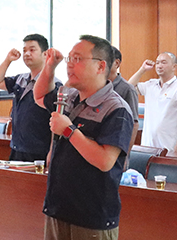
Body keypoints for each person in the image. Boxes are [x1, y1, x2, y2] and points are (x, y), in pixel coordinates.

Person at [34, 35, 134, 240]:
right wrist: (50, 67)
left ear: (100, 66)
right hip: (58, 208)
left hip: (91, 216)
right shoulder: (69, 96)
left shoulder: (116, 109)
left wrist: (69, 131)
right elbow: (40, 96)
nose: (70, 64)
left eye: (77, 59)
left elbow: (105, 161)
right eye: (69, 58)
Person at [0, 33, 59, 161]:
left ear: (45, 54)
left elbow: (56, 121)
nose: (26, 54)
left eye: (32, 50)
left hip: (39, 151)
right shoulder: (20, 79)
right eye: (24, 50)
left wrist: (52, 151)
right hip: (17, 148)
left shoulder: (54, 85)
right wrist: (8, 60)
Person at [128, 52, 177, 153]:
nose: (159, 66)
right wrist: (142, 69)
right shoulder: (150, 84)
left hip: (168, 145)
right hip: (147, 144)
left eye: (163, 62)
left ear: (174, 66)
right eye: (157, 63)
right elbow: (129, 87)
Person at [108, 46, 139, 153]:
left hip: (116, 147)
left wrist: (126, 153)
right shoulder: (97, 86)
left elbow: (134, 124)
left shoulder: (127, 89)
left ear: (116, 63)